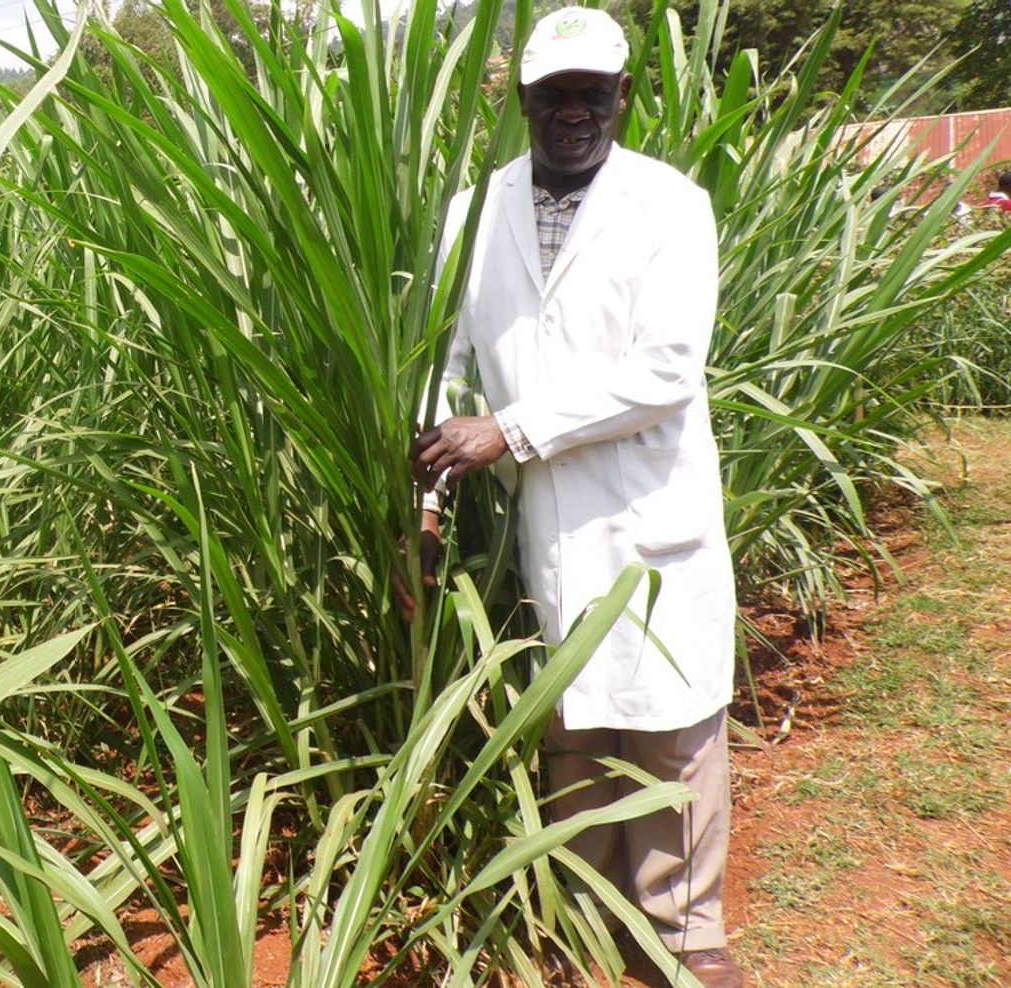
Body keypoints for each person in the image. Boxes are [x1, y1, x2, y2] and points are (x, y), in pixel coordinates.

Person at [401, 7, 742, 987]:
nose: (571, 115)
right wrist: (428, 500)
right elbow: (444, 353)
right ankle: (585, 933)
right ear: (521, 104)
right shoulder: (478, 209)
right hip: (548, 525)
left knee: (673, 730)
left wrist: (504, 429)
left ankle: (687, 939)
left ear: (622, 97)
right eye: (551, 97)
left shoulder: (668, 206)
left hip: (650, 515)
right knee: (573, 728)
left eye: (590, 94)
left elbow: (666, 369)